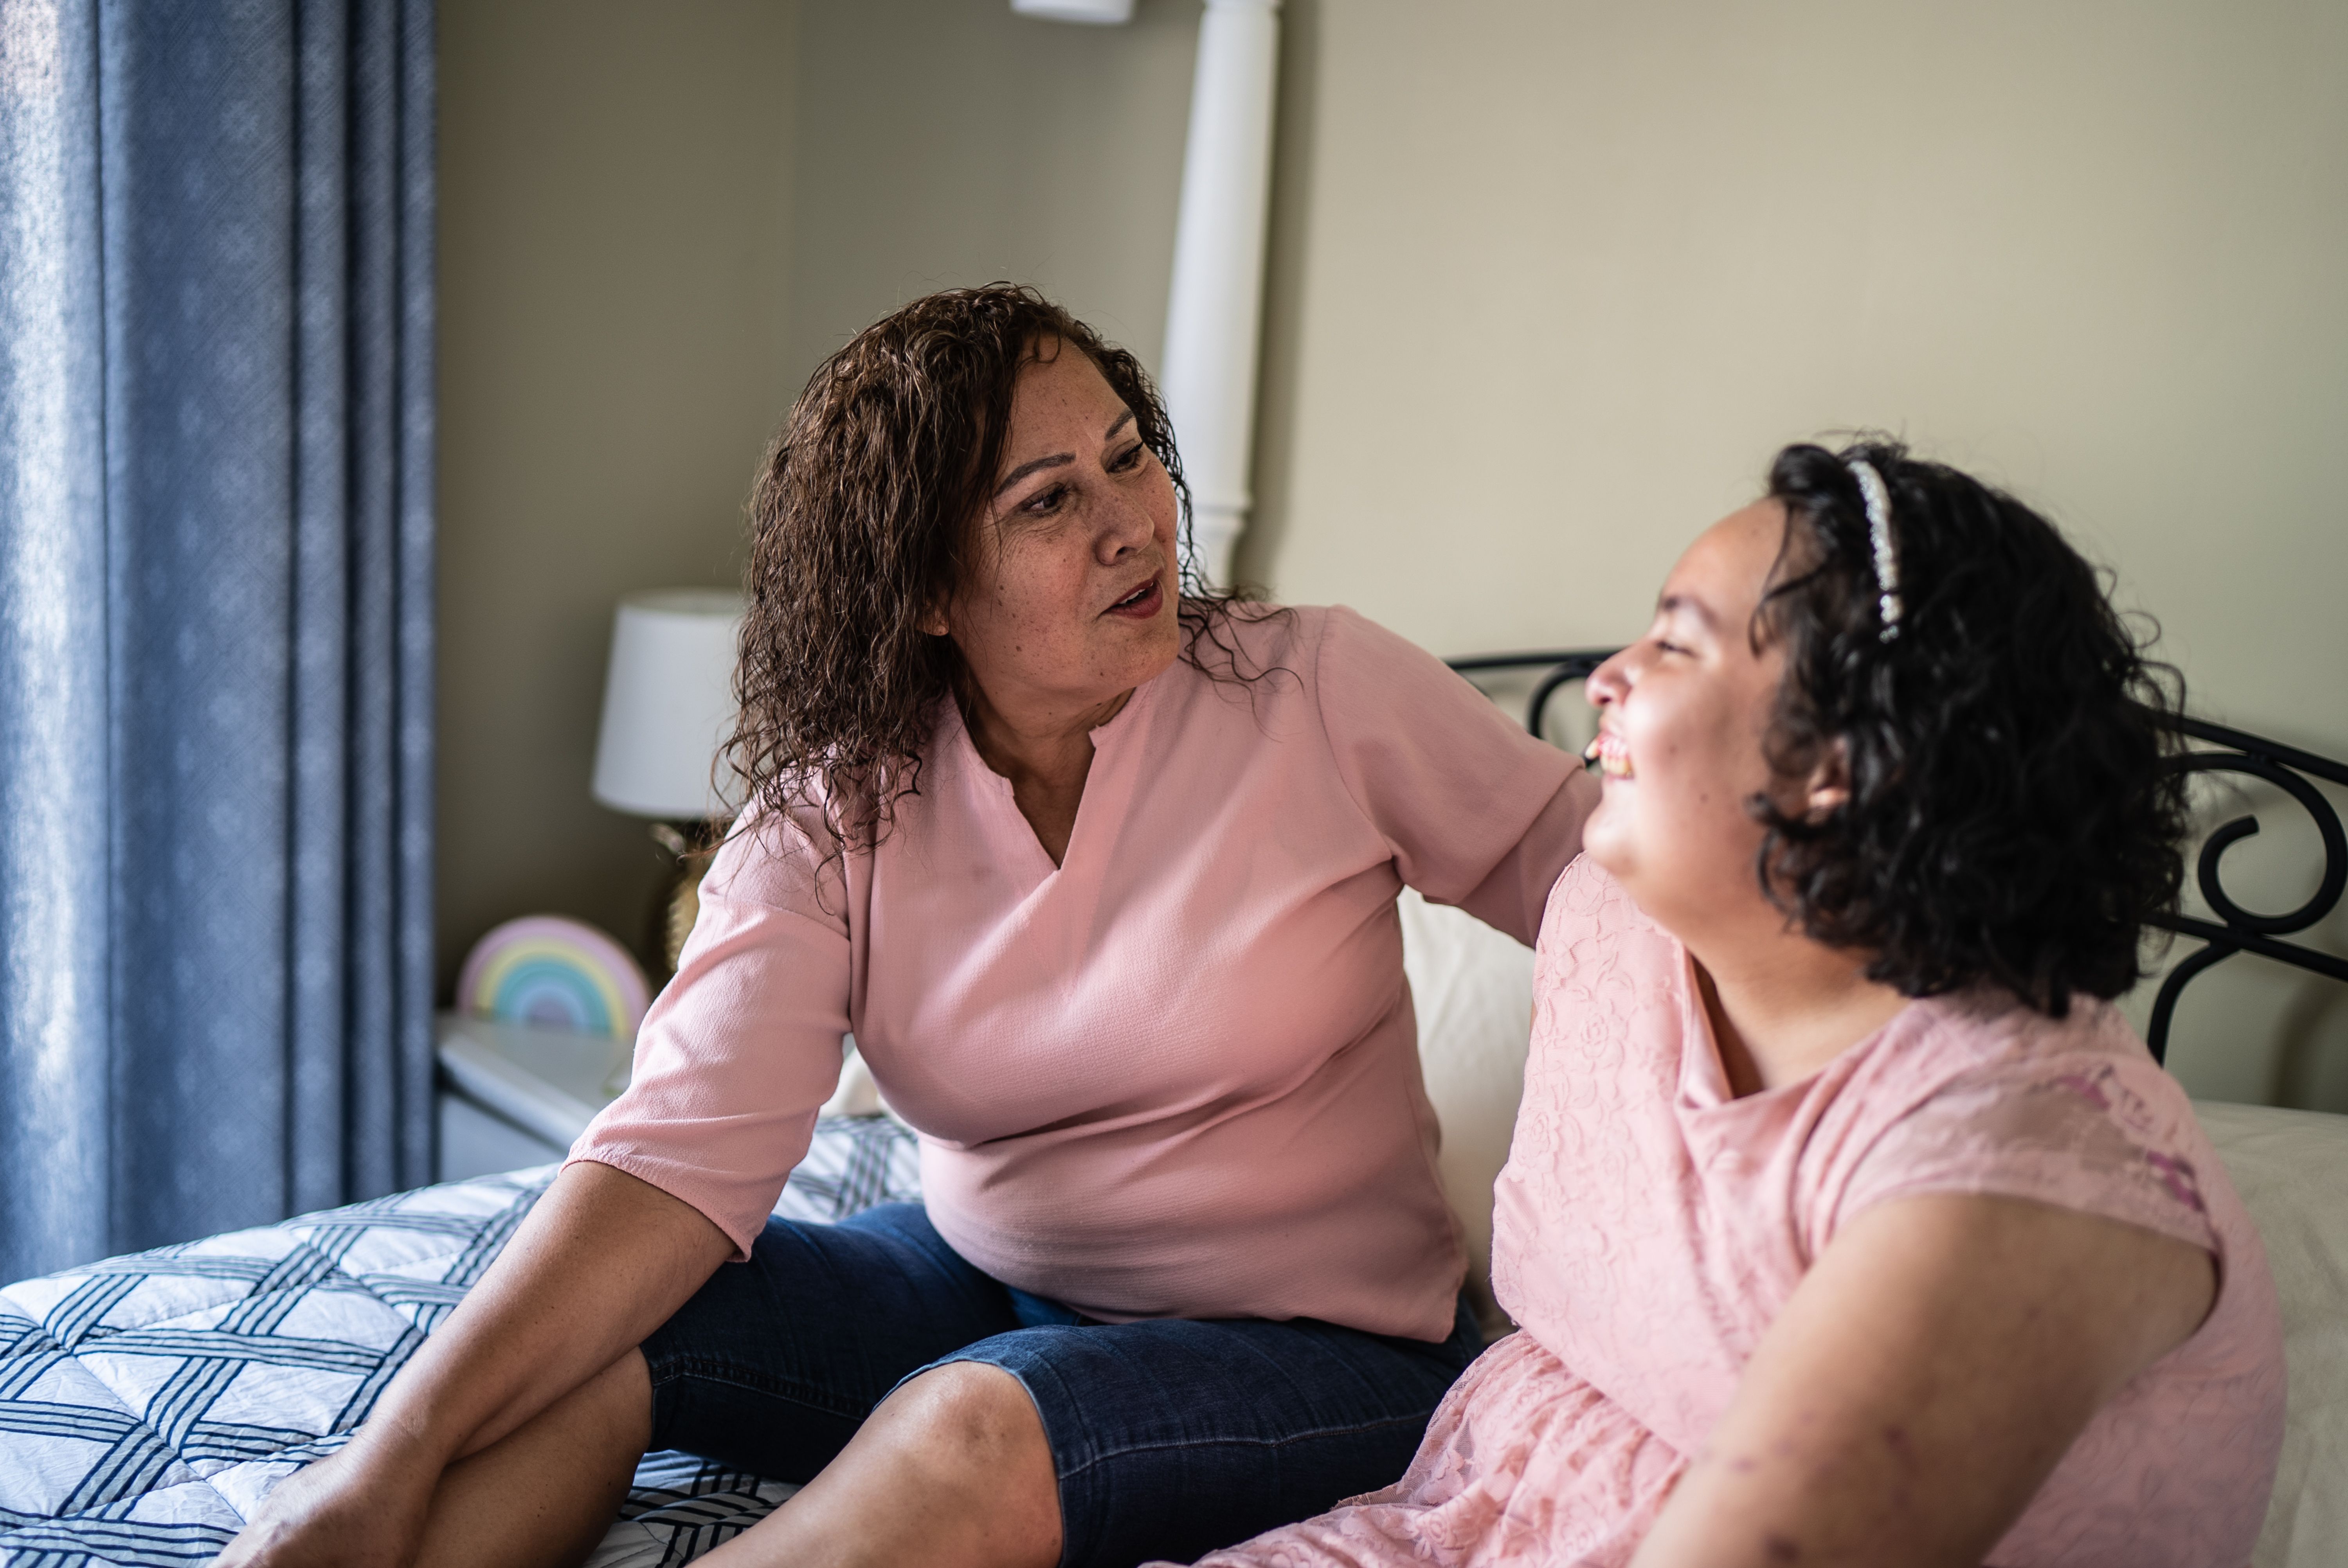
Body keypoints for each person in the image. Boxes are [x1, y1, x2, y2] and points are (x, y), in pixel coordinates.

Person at [220, 285, 1598, 1568]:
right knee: (600, 1333)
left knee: (970, 1425)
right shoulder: (839, 813)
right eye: (1050, 501)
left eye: (1130, 458)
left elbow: (1604, 887)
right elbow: (669, 1161)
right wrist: (387, 1459)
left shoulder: (1317, 691)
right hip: (984, 1281)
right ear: (927, 593)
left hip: (1330, 1350)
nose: (1136, 521)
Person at [1176, 441, 2287, 1568]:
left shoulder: (2014, 1167)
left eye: (1673, 641)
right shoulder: (1609, 926)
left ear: (1841, 762)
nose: (1612, 673)